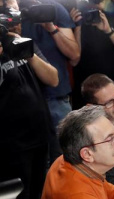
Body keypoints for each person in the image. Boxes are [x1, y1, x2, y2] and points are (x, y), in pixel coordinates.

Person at [0, 7, 58, 199]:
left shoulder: (26, 47)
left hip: (39, 139)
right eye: (9, 27)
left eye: (18, 25)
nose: (16, 30)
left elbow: (53, 78)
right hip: (10, 149)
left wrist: (27, 51)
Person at [18, 0, 80, 162]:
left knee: (67, 158)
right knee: (34, 164)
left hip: (55, 97)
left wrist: (52, 28)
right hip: (20, 103)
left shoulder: (52, 9)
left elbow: (74, 55)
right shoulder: (9, 13)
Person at [71, 0, 114, 109]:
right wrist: (77, 27)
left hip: (113, 85)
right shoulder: (75, 21)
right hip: (86, 90)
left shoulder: (112, 17)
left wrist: (108, 30)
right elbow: (74, 59)